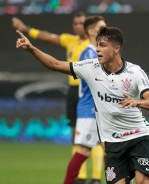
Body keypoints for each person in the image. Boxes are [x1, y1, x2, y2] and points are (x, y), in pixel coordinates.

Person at [15, 26, 149, 184]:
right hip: (112, 142)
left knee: (143, 182)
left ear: (116, 48)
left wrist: (136, 101)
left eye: (103, 45)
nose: (97, 49)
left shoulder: (135, 72)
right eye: (97, 45)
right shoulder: (90, 67)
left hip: (138, 136)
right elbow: (55, 64)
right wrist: (31, 49)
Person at [12, 12, 103, 183]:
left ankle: (96, 177)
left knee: (99, 144)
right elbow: (49, 41)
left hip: (91, 96)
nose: (78, 26)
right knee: (82, 140)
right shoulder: (78, 45)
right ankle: (82, 177)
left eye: (80, 23)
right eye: (75, 23)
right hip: (83, 95)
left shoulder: (97, 48)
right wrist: (27, 31)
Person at [63, 15, 106, 184]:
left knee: (111, 150)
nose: (106, 30)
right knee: (84, 150)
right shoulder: (89, 53)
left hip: (99, 109)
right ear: (91, 31)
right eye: (102, 27)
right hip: (90, 109)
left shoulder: (97, 51)